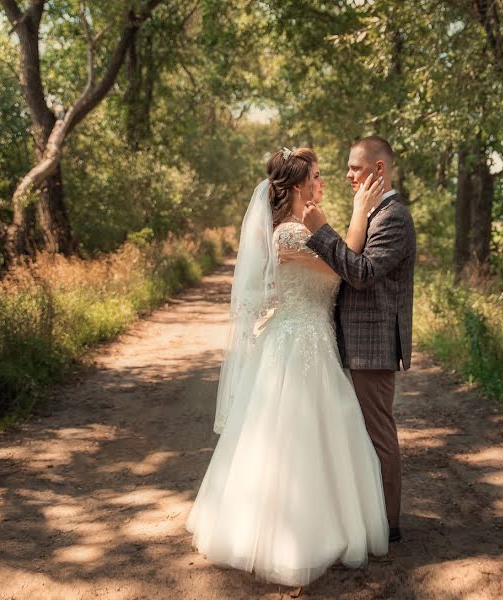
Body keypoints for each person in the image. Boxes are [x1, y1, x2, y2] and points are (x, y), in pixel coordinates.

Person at [186, 147, 389, 587]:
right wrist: (360, 209)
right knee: (291, 436)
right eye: (316, 176)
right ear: (299, 186)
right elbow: (348, 256)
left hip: (316, 339)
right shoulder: (288, 236)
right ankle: (289, 538)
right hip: (295, 342)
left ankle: (325, 521)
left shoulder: (306, 229)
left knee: (325, 431)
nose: (323, 182)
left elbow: (339, 259)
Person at [302, 136, 416, 543]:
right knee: (355, 432)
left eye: (356, 167)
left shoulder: (393, 217)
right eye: (348, 168)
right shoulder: (372, 211)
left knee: (377, 432)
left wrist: (320, 231)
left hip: (374, 344)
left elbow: (362, 273)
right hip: (349, 341)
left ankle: (389, 524)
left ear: (379, 170)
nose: (348, 174)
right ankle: (364, 518)